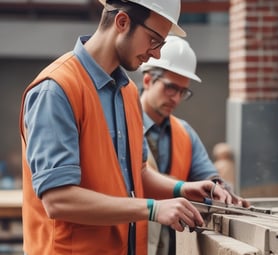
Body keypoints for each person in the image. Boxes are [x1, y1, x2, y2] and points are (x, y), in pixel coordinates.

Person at [19, 1, 232, 255]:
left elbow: (137, 173)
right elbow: (58, 200)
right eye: (154, 40)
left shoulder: (127, 92)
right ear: (122, 22)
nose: (157, 54)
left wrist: (181, 188)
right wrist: (153, 209)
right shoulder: (57, 90)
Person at [139, 35, 250, 255]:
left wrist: (221, 190)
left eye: (183, 92)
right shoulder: (122, 123)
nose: (176, 99)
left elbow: (207, 175)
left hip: (171, 246)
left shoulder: (185, 133)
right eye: (171, 88)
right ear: (148, 81)